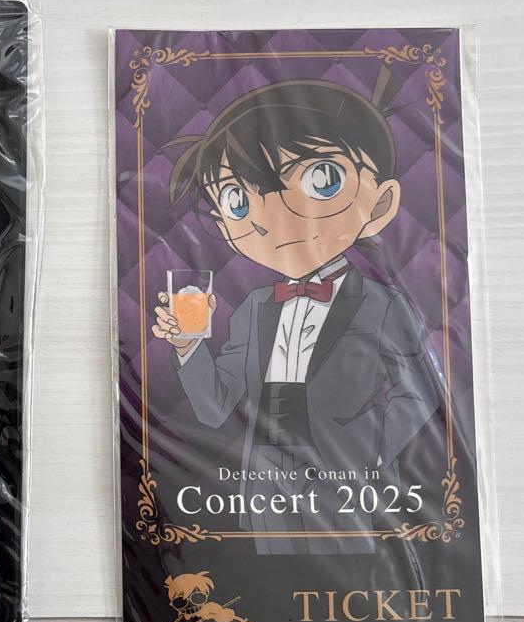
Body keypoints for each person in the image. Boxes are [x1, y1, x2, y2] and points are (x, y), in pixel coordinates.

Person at [152, 78, 439, 554]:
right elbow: (214, 407)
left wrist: (370, 452)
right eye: (237, 200)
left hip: (345, 479)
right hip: (264, 481)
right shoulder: (253, 309)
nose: (271, 216)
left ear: (381, 203)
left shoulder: (383, 304)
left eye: (322, 179)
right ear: (224, 223)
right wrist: (188, 347)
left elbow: (420, 390)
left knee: (350, 573)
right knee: (273, 580)